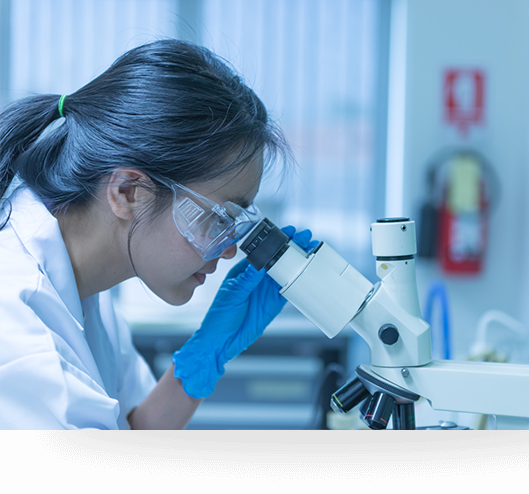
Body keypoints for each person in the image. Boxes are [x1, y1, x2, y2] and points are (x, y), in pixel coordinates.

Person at [0, 39, 316, 430]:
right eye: (221, 218)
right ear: (127, 192)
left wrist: (205, 356)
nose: (231, 249)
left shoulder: (85, 293)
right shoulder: (21, 334)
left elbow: (129, 426)